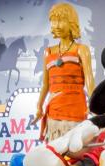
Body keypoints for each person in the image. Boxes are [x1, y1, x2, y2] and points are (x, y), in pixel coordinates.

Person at [35, 2, 95, 141]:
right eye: (53, 21)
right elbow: (45, 84)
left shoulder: (81, 49)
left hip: (75, 108)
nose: (56, 25)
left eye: (61, 20)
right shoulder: (48, 52)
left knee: (76, 150)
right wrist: (39, 107)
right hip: (54, 111)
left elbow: (89, 79)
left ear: (71, 22)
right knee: (55, 151)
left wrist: (93, 103)